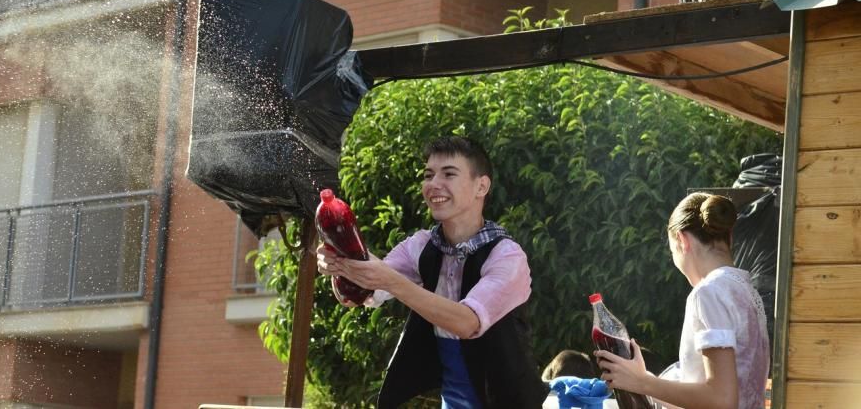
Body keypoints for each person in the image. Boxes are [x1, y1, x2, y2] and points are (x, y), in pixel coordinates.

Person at [317, 135, 549, 409]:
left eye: (449, 174)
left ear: (481, 186)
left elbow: (467, 322)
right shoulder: (422, 245)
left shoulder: (507, 256)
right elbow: (363, 292)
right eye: (429, 175)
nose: (433, 184)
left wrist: (392, 282)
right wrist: (340, 261)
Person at [593, 192, 770, 409]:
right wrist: (644, 379)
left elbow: (722, 400)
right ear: (729, 238)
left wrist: (644, 383)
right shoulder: (745, 289)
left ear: (682, 240)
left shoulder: (709, 292)